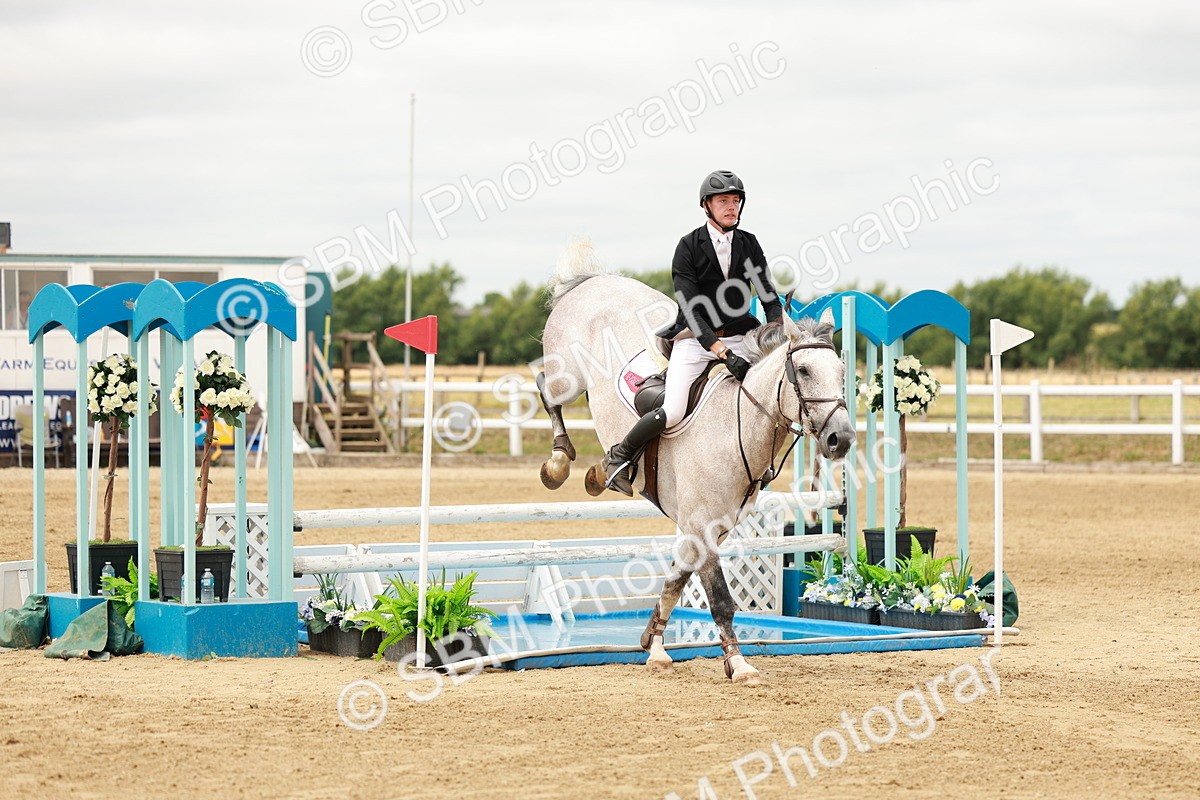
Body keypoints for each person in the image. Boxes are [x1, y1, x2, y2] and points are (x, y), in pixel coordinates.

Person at [603, 170, 784, 495]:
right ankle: (620, 456)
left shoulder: (749, 243)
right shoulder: (688, 247)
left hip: (741, 335)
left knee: (770, 395)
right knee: (672, 411)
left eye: (736, 200)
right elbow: (691, 311)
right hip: (696, 337)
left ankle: (760, 462)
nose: (732, 207)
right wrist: (723, 354)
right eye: (723, 201)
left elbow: (769, 296)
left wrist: (773, 335)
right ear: (706, 206)